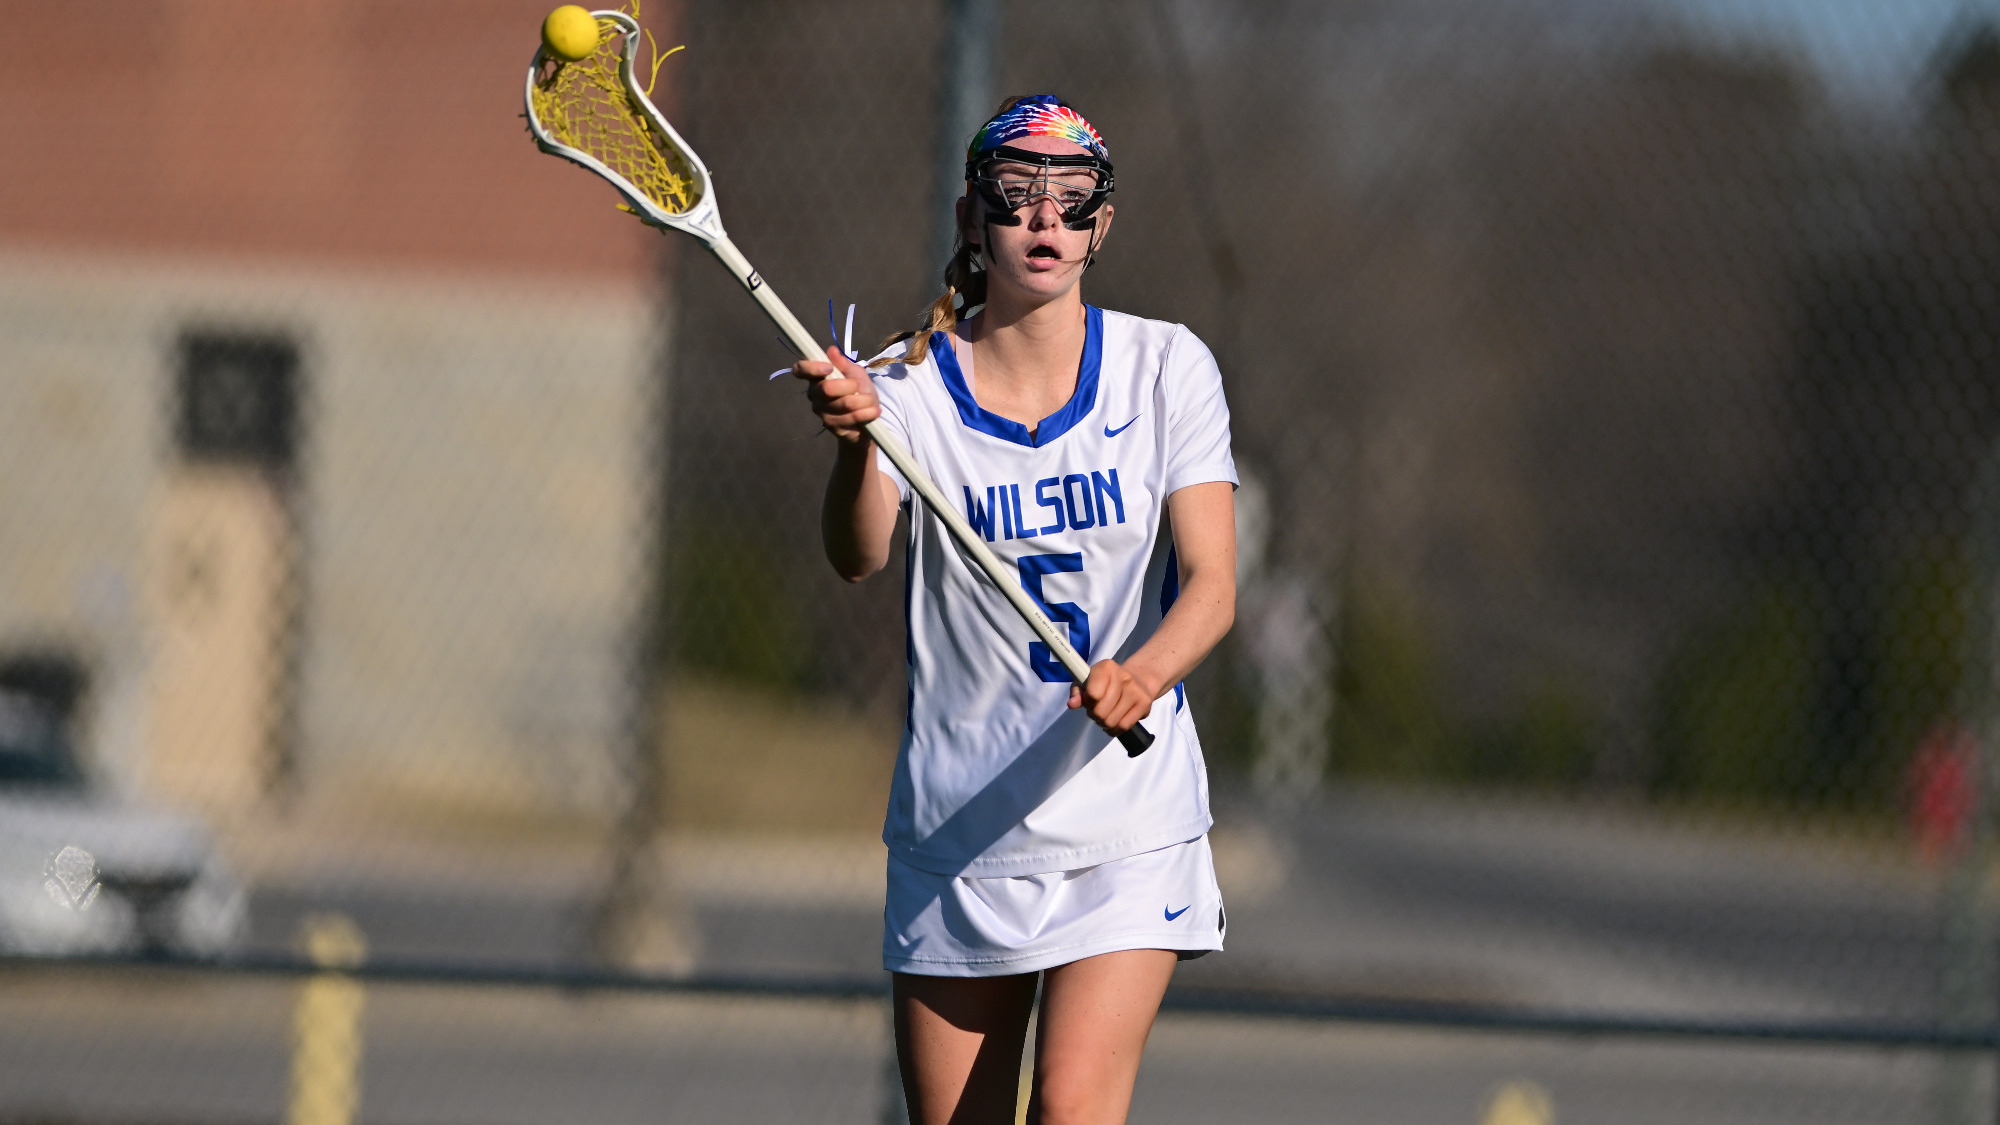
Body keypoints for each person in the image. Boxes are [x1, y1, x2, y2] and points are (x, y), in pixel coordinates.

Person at [792, 94, 1238, 1125]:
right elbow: (856, 556)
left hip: (1124, 820)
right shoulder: (902, 386)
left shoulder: (1167, 368)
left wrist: (1144, 675)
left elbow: (1210, 586)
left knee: (1071, 1109)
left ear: (1102, 226)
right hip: (962, 830)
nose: (1045, 223)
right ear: (969, 218)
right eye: (1016, 196)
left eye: (1072, 202)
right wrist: (857, 442)